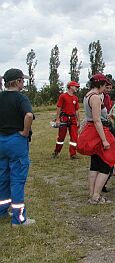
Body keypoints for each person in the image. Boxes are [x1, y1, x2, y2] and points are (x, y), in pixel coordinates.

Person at [0, 68, 35, 226]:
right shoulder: (21, 98)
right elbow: (28, 115)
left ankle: (2, 211)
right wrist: (25, 131)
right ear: (18, 81)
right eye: (22, 80)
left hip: (1, 140)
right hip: (16, 140)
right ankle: (19, 219)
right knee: (17, 180)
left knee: (2, 178)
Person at [77, 73, 115, 204]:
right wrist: (104, 140)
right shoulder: (95, 98)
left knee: (95, 164)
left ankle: (92, 194)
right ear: (100, 84)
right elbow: (97, 120)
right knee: (107, 162)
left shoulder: (87, 95)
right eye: (105, 84)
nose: (105, 87)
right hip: (98, 132)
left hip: (92, 130)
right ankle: (96, 196)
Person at [52, 81, 80, 159]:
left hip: (73, 119)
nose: (77, 88)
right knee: (61, 137)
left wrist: (78, 120)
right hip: (64, 118)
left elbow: (77, 110)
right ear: (70, 86)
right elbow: (59, 107)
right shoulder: (63, 96)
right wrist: (57, 119)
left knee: (74, 137)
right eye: (75, 86)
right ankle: (56, 152)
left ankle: (73, 154)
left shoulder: (75, 98)